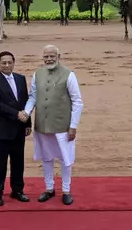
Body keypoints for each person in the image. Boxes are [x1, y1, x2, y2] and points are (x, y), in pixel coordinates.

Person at [20, 45, 83, 206]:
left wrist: (73, 126)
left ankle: (66, 190)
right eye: (46, 56)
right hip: (43, 124)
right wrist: (27, 112)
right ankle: (49, 188)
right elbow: (33, 96)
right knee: (47, 158)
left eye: (52, 56)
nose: (49, 59)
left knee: (64, 158)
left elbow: (77, 102)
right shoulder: (37, 74)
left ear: (58, 56)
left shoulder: (69, 75)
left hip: (63, 125)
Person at [0, 51, 32, 207]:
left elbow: (25, 101)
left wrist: (27, 123)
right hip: (0, 130)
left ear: (13, 63)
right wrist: (17, 114)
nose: (7, 65)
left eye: (9, 62)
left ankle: (17, 191)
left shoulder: (20, 79)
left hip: (19, 129)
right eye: (3, 63)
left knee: (18, 162)